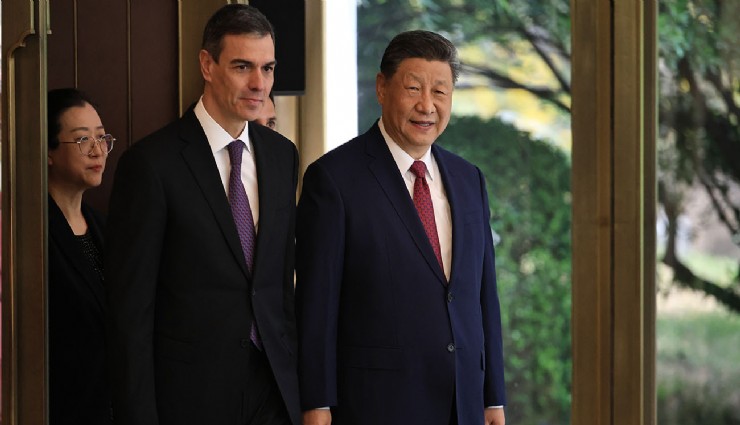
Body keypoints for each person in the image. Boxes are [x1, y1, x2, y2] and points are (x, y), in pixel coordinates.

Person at [295, 30, 506, 425]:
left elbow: (483, 297)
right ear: (382, 88)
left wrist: (493, 396)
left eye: (440, 92)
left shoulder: (469, 179)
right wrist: (317, 404)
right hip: (378, 405)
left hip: (463, 405)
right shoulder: (334, 179)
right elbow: (316, 306)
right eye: (413, 88)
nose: (427, 105)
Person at [105, 4, 300, 425]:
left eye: (267, 68)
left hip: (275, 391)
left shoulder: (282, 155)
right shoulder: (151, 164)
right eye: (242, 67)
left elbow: (280, 284)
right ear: (207, 65)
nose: (258, 83)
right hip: (189, 397)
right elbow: (131, 314)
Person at [47, 87, 114, 424]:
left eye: (101, 138)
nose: (97, 150)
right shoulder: (30, 231)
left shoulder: (103, 227)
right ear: (48, 151)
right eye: (82, 139)